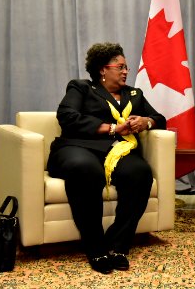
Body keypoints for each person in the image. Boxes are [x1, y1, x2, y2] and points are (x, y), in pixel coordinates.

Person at [47, 42, 166, 274]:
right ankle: (95, 247)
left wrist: (146, 122)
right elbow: (67, 116)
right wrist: (112, 128)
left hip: (117, 151)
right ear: (103, 69)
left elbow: (159, 118)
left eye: (126, 67)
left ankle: (119, 244)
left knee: (140, 173)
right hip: (77, 147)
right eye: (120, 66)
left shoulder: (134, 94)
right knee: (87, 170)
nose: (125, 71)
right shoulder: (81, 87)